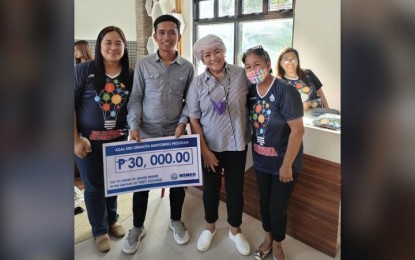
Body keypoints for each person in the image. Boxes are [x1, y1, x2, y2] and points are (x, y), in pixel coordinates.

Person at [123, 14, 195, 255]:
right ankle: (137, 227)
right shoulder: (143, 64)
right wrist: (133, 125)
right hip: (147, 133)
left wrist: (183, 122)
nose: (166, 37)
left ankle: (176, 220)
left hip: (175, 133)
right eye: (161, 32)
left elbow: (190, 101)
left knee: (177, 181)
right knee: (141, 184)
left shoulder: (187, 67)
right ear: (154, 36)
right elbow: (135, 98)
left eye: (171, 32)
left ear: (178, 36)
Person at [183, 34, 251, 256]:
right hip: (210, 146)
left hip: (237, 145)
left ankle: (235, 229)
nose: (214, 57)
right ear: (202, 59)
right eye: (207, 54)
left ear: (224, 51)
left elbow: (260, 94)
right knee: (211, 190)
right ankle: (210, 227)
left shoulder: (242, 75)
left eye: (217, 51)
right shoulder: (197, 84)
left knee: (235, 190)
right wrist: (204, 150)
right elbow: (193, 117)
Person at [74, 26, 133, 252]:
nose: (113, 47)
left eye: (118, 43)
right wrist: (75, 141)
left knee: (113, 183)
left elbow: (135, 107)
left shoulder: (130, 73)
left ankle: (113, 220)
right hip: (87, 143)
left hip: (118, 142)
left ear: (124, 47)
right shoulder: (84, 70)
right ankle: (99, 229)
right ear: (99, 46)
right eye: (108, 42)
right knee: (94, 186)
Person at [242, 45, 304, 260]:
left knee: (278, 208)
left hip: (284, 164)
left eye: (256, 65)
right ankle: (267, 237)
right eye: (248, 66)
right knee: (265, 203)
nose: (252, 70)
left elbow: (298, 130)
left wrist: (286, 165)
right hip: (261, 163)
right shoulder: (250, 92)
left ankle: (277, 243)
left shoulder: (285, 90)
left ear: (268, 65)